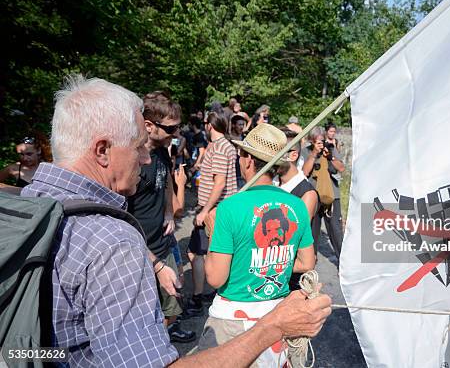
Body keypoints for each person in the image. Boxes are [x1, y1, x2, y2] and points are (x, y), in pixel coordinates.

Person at [20, 75, 331, 367]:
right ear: (102, 150)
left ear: (247, 159)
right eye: (140, 146)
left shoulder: (24, 206)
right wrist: (273, 326)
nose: (145, 159)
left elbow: (48, 346)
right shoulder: (113, 240)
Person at [200, 124, 316, 366]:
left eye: (242, 154)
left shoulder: (229, 208)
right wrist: (274, 261)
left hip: (233, 320)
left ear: (249, 160)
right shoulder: (297, 206)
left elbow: (215, 277)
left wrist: (212, 234)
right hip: (278, 316)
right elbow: (307, 261)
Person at [127, 91, 195, 343]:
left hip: (163, 241)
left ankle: (166, 335)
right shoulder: (130, 160)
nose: (176, 133)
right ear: (148, 126)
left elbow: (166, 179)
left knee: (173, 301)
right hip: (140, 251)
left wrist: (169, 211)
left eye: (178, 127)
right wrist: (154, 263)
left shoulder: (162, 151)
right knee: (144, 310)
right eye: (170, 128)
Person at [186, 111, 238, 315]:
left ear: (210, 125)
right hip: (219, 207)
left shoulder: (219, 148)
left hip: (215, 209)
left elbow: (220, 183)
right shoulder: (224, 146)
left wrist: (205, 211)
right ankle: (216, 291)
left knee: (196, 253)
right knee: (213, 252)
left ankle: (198, 299)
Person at [278, 128, 319, 291]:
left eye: (276, 153)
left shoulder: (306, 193)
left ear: (293, 155)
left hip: (294, 278)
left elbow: (294, 236)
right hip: (274, 271)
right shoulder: (274, 184)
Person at [302, 126, 346, 259]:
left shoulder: (330, 148)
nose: (320, 144)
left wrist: (331, 156)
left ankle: (343, 262)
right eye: (317, 141)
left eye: (321, 140)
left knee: (336, 231)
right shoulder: (306, 151)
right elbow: (304, 172)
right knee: (312, 231)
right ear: (311, 141)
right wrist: (314, 154)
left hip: (332, 195)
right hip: (313, 196)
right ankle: (310, 264)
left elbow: (341, 168)